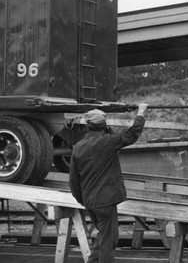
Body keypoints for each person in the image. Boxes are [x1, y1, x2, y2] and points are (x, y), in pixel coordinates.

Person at [69, 103, 148, 263]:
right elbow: (132, 134)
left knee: (104, 236)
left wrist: (83, 200)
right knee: (109, 240)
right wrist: (141, 113)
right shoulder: (109, 142)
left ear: (87, 126)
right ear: (104, 125)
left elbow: (73, 181)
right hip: (106, 201)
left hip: (90, 202)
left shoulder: (77, 148)